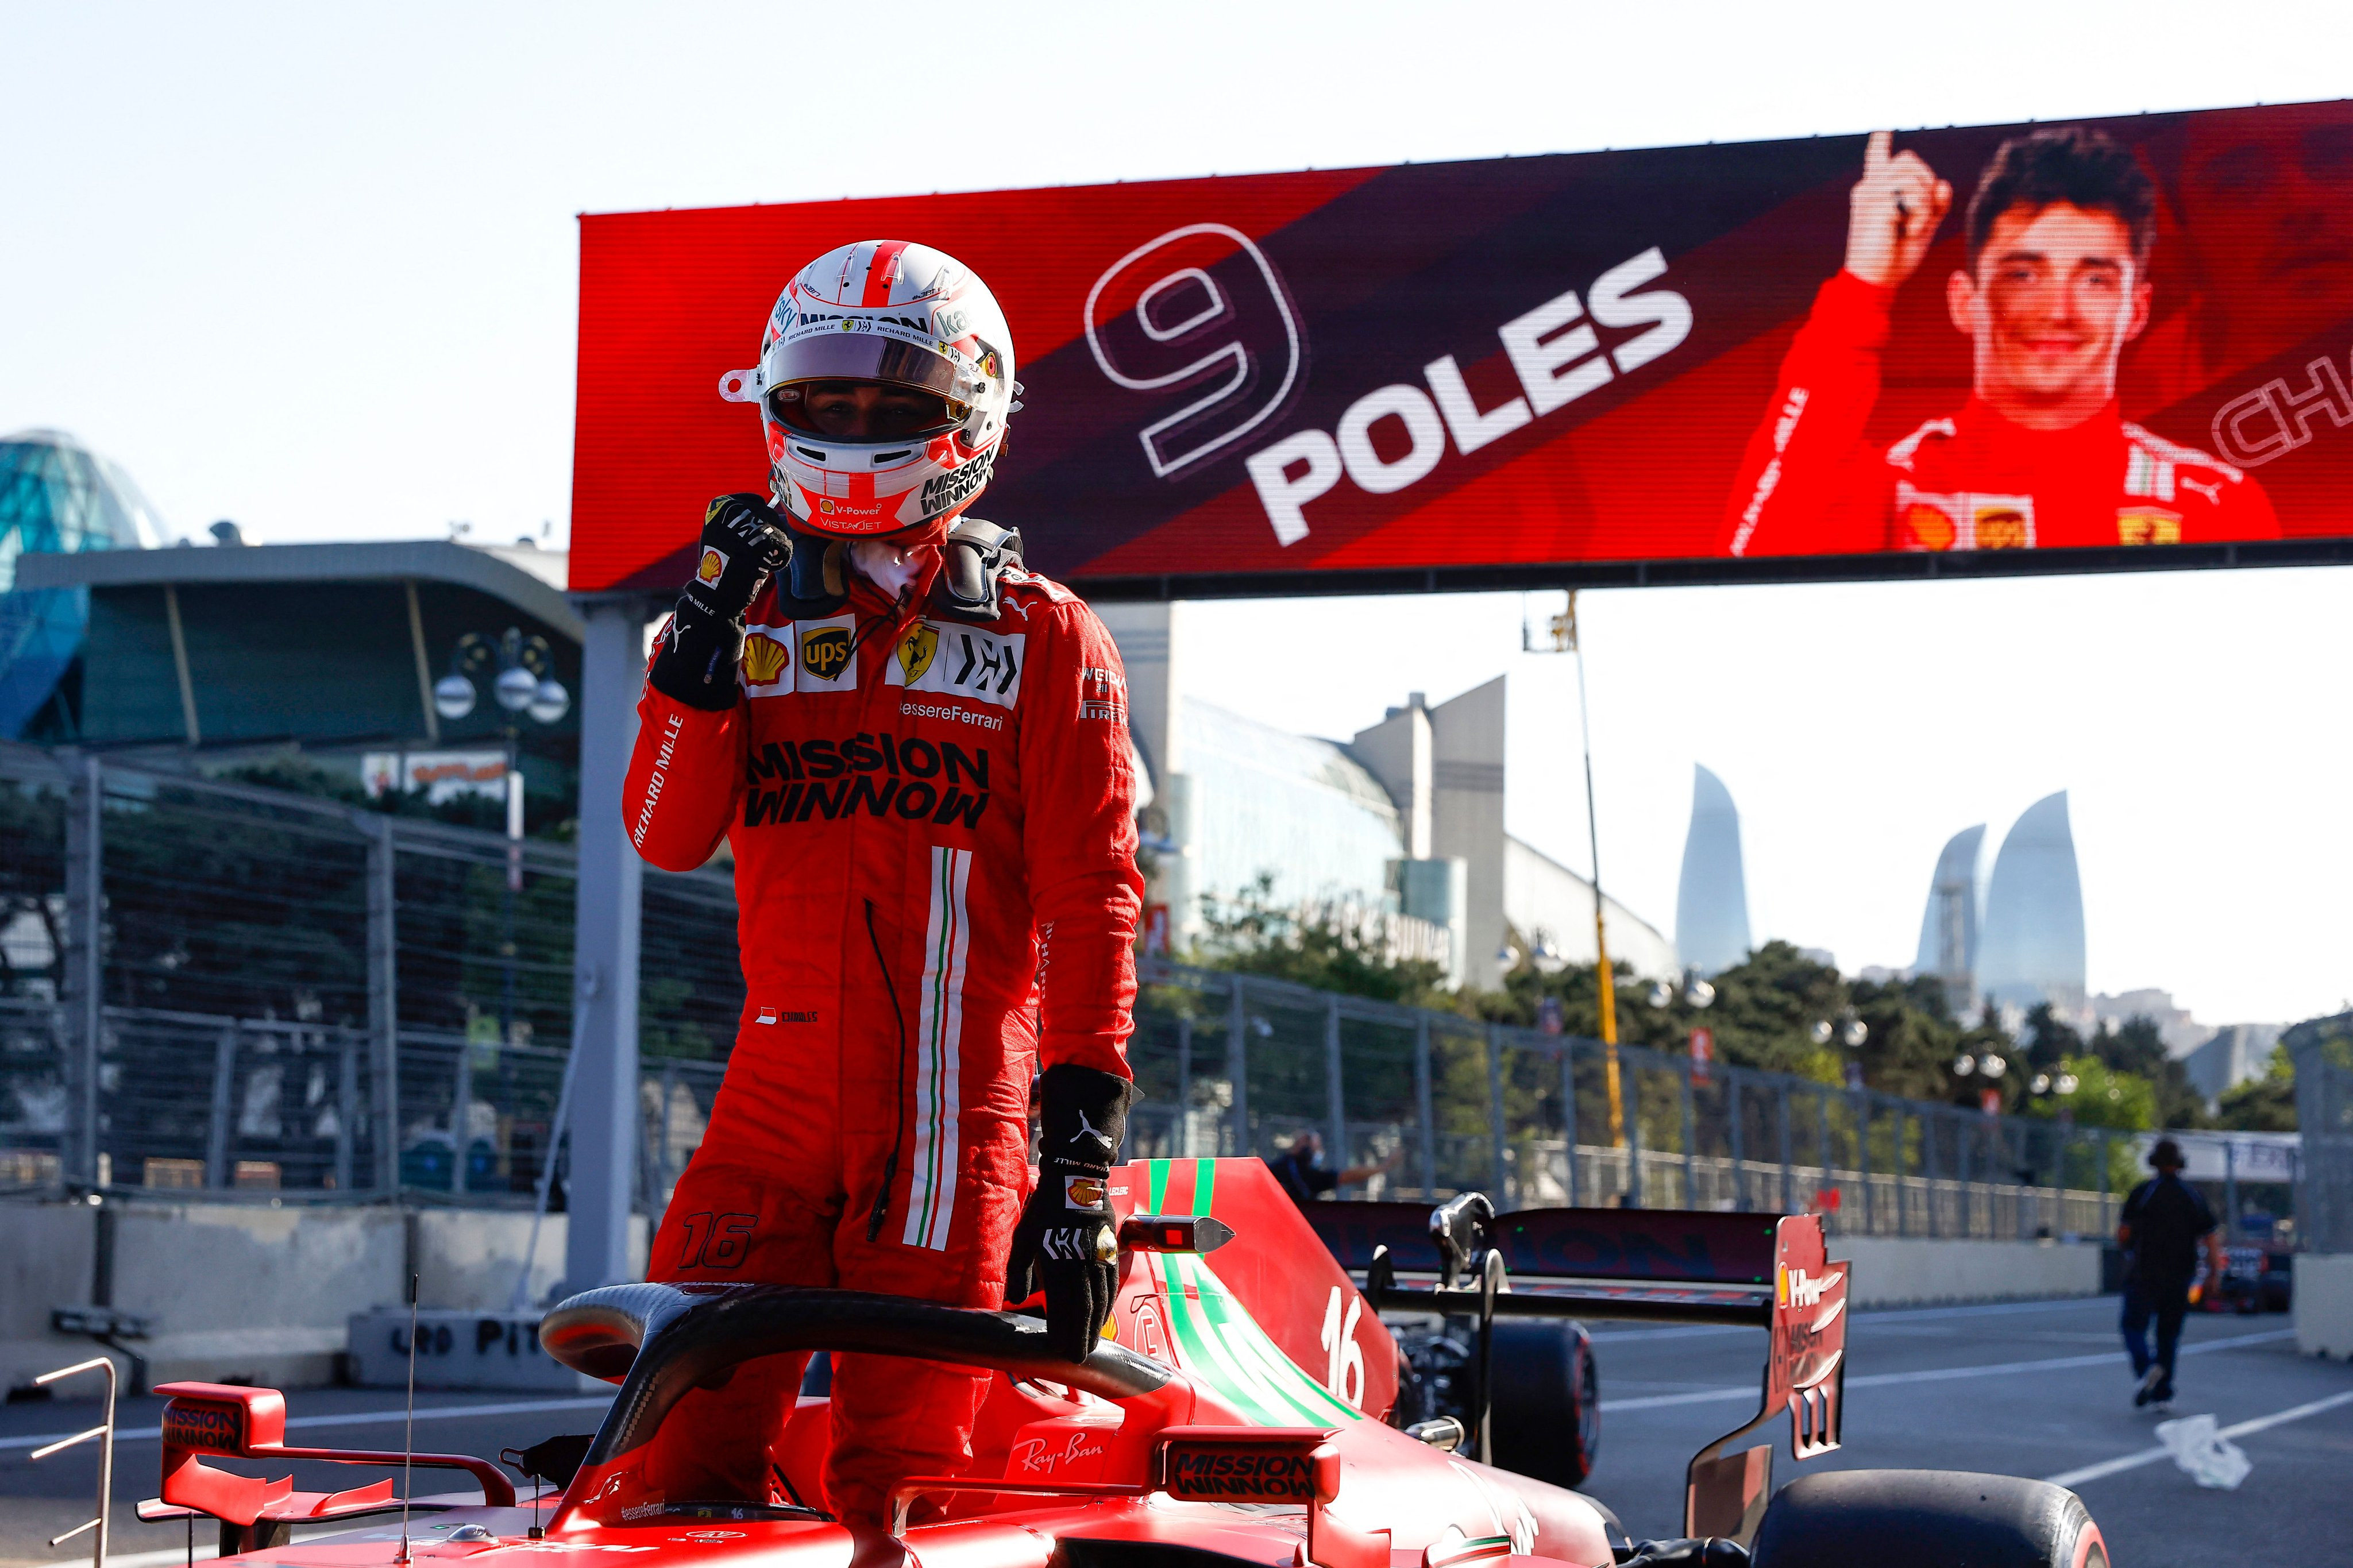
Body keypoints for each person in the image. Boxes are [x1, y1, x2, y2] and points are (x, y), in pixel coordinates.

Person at [620, 240, 1145, 1525]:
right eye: (826, 397)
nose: (856, 427)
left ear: (969, 416)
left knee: (894, 1504)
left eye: (895, 402)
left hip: (952, 1127)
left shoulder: (1045, 632)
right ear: (771, 402)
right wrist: (692, 649)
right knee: (671, 1483)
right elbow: (660, 834)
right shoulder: (732, 620)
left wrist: (1078, 1169)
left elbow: (1096, 900)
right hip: (764, 1112)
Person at [1725, 126, 2278, 557]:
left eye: (2093, 280)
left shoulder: (2215, 502)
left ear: (2136, 311)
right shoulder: (1895, 489)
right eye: (2023, 275)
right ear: (1965, 302)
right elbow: (1750, 574)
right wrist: (1865, 284)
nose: (2058, 311)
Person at [2116, 1137, 2225, 1411]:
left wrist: (2127, 1248)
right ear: (2179, 1164)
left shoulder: (2143, 1193)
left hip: (2144, 1272)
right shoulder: (2192, 1196)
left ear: (2154, 1163)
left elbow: (2124, 1233)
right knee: (2168, 1334)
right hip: (2180, 1274)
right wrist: (2214, 1274)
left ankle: (2147, 1370)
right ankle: (2163, 1393)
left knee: (2132, 1325)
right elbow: (2211, 1239)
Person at [1266, 1129, 1400, 1208]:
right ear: (1304, 1146)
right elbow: (1347, 1177)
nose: (1319, 1153)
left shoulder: (1290, 1167)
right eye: (1316, 1148)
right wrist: (1384, 1167)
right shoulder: (1297, 1172)